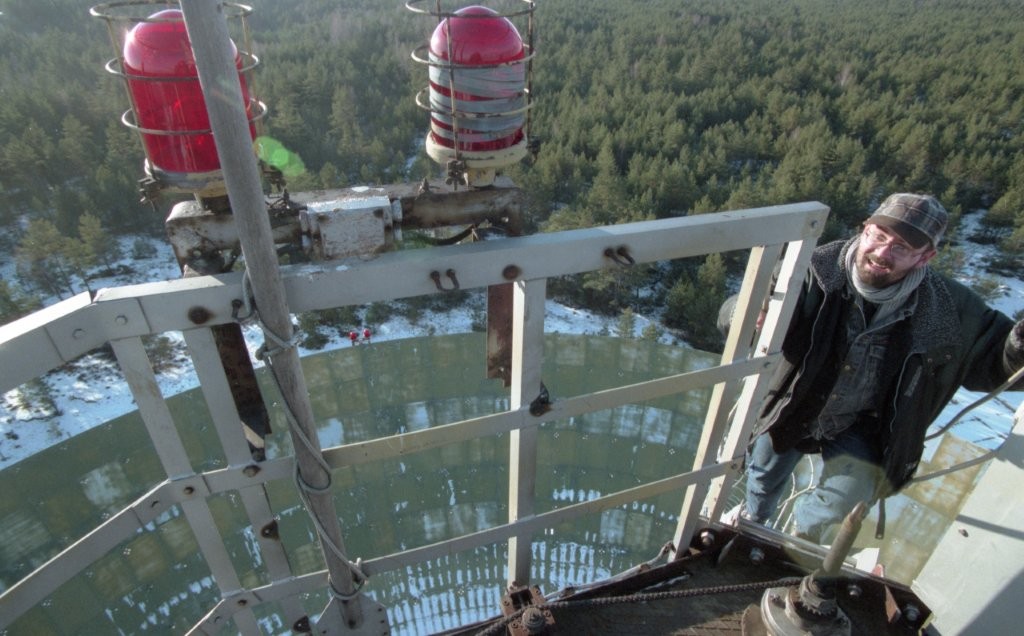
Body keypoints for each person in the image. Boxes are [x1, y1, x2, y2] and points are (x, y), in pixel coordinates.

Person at [735, 193, 1024, 543]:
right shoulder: (813, 270)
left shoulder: (951, 310)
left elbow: (995, 363)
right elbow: (747, 308)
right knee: (763, 476)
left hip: (862, 423)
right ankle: (753, 522)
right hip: (793, 403)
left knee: (844, 501)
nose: (882, 253)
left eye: (901, 247)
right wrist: (744, 315)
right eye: (879, 236)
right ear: (864, 229)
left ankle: (796, 542)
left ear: (926, 257)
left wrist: (1018, 346)